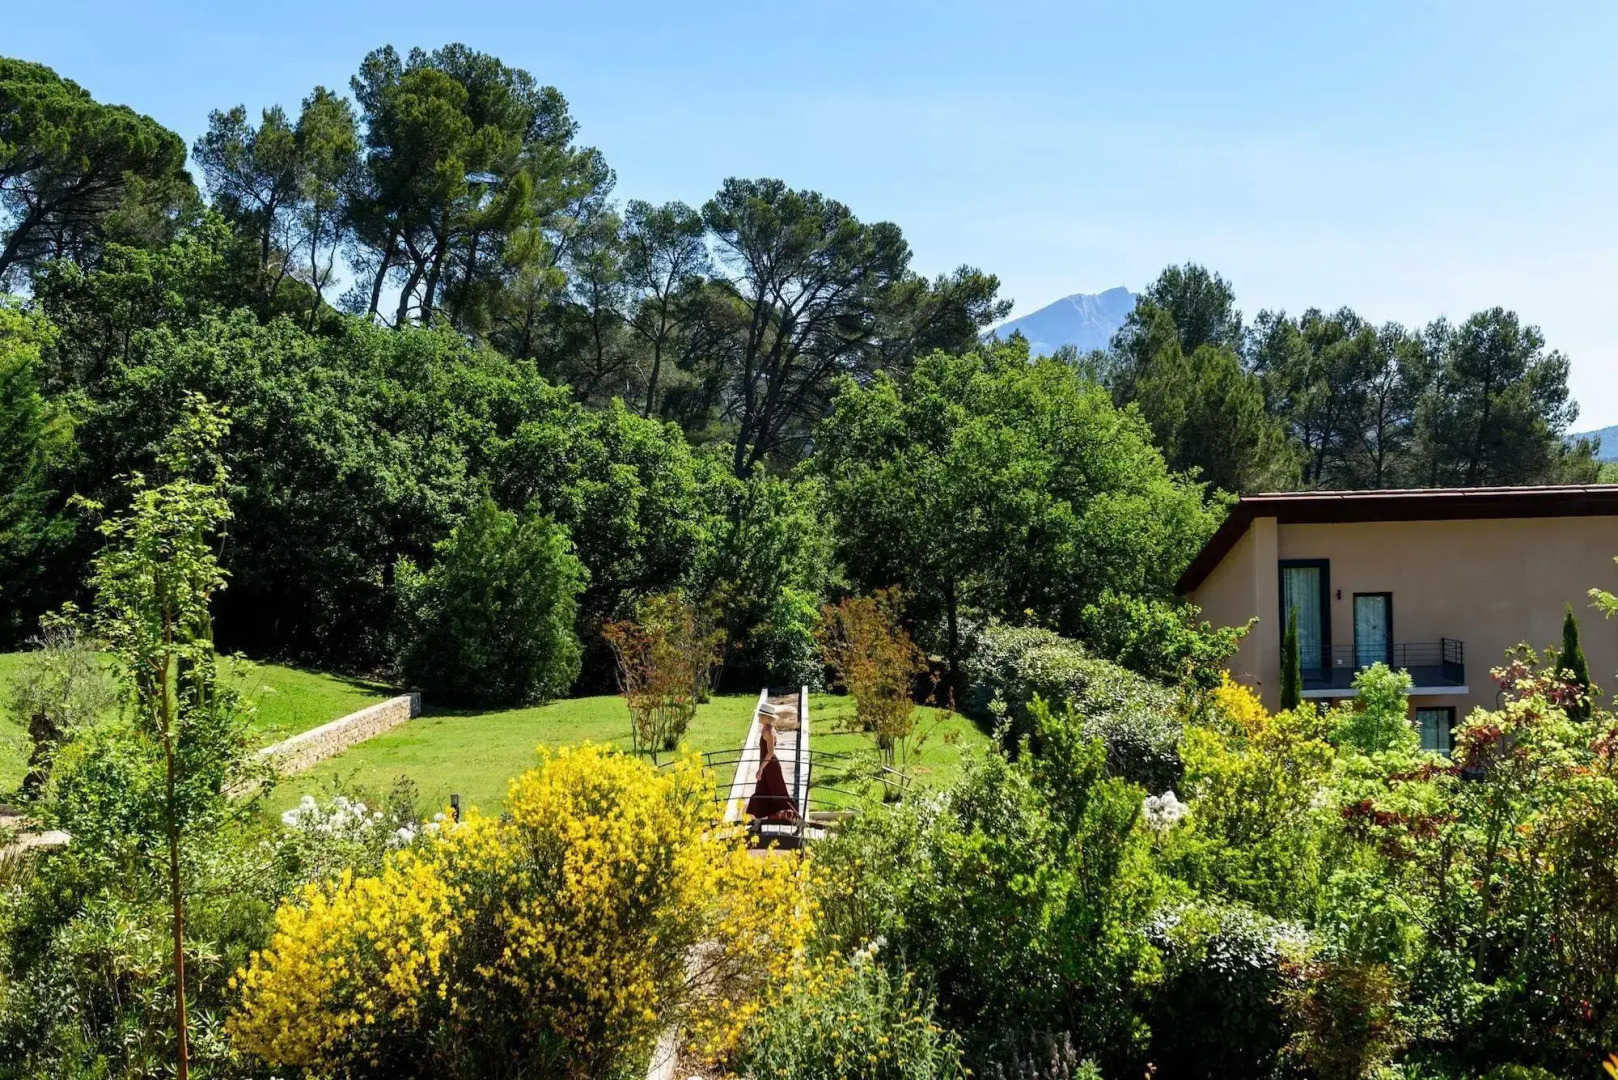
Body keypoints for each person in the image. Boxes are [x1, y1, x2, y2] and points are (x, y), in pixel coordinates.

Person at [745, 717, 798, 821]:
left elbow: (770, 753)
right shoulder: (767, 729)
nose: (758, 717)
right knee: (762, 792)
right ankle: (757, 821)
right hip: (767, 766)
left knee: (778, 793)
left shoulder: (768, 731)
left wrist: (761, 768)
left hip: (770, 767)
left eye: (761, 715)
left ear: (765, 717)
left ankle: (795, 817)